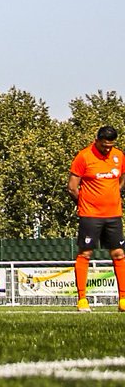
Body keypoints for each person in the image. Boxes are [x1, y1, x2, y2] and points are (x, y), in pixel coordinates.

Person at [68, 125, 125, 312]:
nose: (108, 149)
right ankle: (82, 299)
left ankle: (123, 299)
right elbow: (72, 187)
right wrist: (85, 202)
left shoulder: (119, 156)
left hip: (114, 215)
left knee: (119, 254)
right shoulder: (83, 156)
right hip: (90, 215)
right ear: (97, 140)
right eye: (104, 145)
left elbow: (121, 178)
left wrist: (115, 193)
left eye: (111, 145)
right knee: (85, 254)